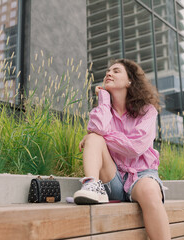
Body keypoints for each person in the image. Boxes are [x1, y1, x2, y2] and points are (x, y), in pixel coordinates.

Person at [73, 59, 171, 239]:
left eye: (116, 71)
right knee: (94, 138)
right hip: (113, 177)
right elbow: (97, 130)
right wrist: (103, 99)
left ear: (129, 81)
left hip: (141, 176)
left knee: (150, 190)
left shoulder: (148, 111)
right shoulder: (103, 110)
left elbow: (135, 147)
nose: (109, 73)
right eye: (108, 71)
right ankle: (92, 185)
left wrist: (102, 134)